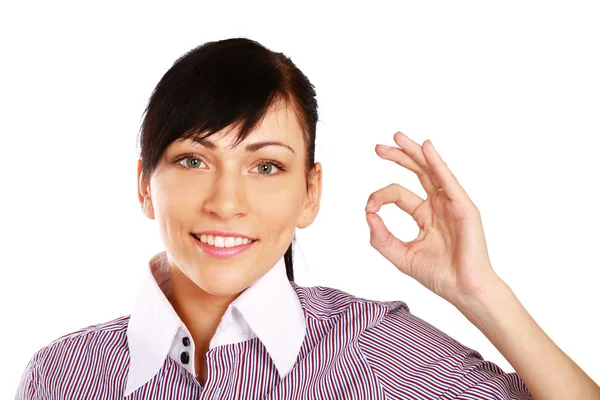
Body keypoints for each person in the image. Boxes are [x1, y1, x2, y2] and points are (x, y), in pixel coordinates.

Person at [15, 37, 600, 400]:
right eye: (193, 160)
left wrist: (482, 292)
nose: (226, 201)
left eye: (266, 166)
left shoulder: (377, 351)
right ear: (145, 185)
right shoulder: (62, 378)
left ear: (310, 194)